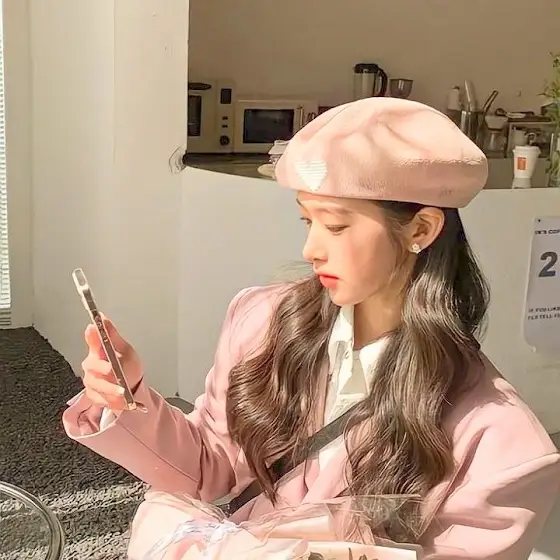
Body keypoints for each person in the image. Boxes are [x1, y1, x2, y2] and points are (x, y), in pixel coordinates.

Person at [63, 98, 560, 559]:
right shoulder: (261, 322)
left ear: (421, 229)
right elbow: (211, 468)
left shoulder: (500, 442)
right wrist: (128, 398)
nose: (311, 250)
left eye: (336, 226)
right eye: (307, 221)